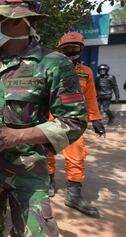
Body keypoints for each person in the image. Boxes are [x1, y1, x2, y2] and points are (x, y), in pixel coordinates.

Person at [0, 1, 89, 236]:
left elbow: (74, 121)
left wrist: (18, 136)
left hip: (28, 172)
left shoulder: (53, 63)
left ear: (17, 22)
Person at [46, 32, 105, 218]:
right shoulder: (49, 68)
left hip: (73, 121)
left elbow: (90, 97)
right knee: (47, 153)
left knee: (77, 155)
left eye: (74, 49)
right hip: (49, 118)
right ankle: (48, 181)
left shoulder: (86, 72)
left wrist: (96, 118)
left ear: (81, 50)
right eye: (66, 49)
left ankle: (73, 195)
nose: (70, 53)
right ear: (60, 50)